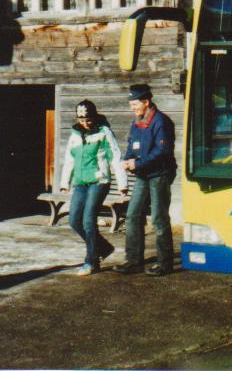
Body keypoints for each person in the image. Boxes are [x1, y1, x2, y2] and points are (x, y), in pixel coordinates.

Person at [113, 84, 177, 277]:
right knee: (132, 215)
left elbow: (162, 150)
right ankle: (134, 261)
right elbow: (132, 144)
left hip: (159, 175)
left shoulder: (161, 121)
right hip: (143, 174)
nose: (132, 108)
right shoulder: (137, 121)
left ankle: (164, 263)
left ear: (146, 102)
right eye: (130, 104)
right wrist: (127, 160)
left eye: (134, 104)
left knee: (158, 218)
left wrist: (138, 163)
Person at [59, 100, 127, 276]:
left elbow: (115, 157)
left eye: (88, 119)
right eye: (81, 119)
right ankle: (103, 247)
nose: (85, 123)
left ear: (94, 116)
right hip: (80, 183)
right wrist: (65, 183)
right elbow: (70, 159)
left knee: (88, 220)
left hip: (99, 182)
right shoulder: (74, 134)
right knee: (74, 220)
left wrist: (122, 184)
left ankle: (92, 261)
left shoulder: (104, 132)